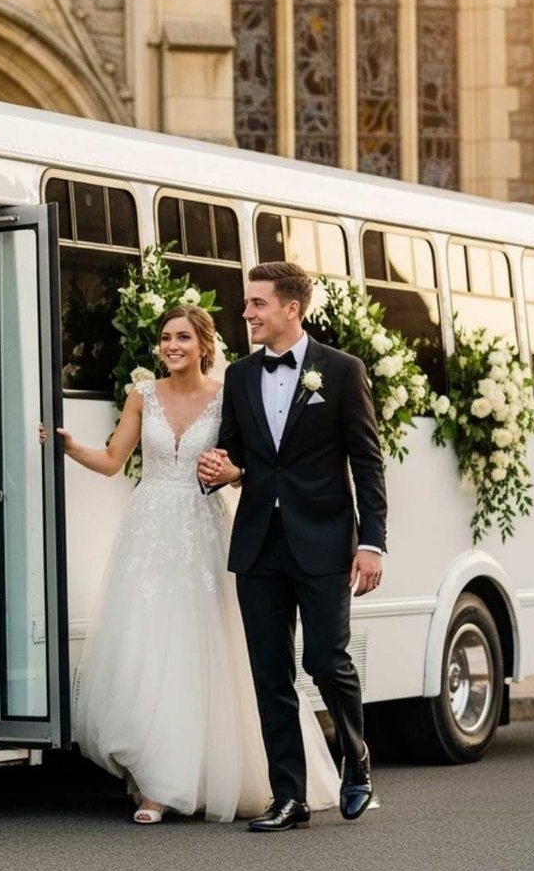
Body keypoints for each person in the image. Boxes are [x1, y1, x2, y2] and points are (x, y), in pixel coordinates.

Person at [46, 304, 339, 825]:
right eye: (165, 338)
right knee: (150, 650)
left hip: (204, 531)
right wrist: (71, 449)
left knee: (202, 652)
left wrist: (230, 472)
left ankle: (222, 777)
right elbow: (115, 461)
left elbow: (252, 467)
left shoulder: (231, 394)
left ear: (204, 344)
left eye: (182, 337)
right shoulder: (144, 395)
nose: (172, 346)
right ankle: (157, 785)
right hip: (150, 532)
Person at [197, 261, 386, 832]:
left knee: (326, 660)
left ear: (290, 309)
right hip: (258, 543)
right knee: (269, 672)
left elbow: (367, 462)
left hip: (326, 541)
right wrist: (219, 470)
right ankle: (289, 797)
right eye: (247, 303)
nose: (247, 313)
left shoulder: (342, 371)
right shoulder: (239, 376)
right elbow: (236, 453)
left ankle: (356, 757)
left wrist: (372, 543)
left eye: (257, 304)